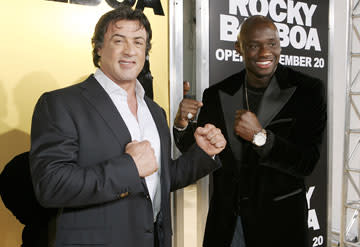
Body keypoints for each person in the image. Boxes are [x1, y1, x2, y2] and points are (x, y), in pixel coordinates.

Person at [29, 5, 226, 247]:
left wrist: (202, 154)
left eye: (138, 42)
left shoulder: (154, 111)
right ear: (99, 48)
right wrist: (129, 167)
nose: (130, 50)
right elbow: (51, 185)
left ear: (146, 51)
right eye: (118, 40)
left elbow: (160, 178)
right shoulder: (61, 103)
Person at [173, 15, 327, 247]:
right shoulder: (217, 93)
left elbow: (306, 162)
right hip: (227, 223)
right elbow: (200, 149)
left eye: (272, 43)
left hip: (279, 225)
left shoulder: (308, 90)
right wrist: (181, 125)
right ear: (239, 48)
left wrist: (260, 137)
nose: (266, 52)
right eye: (254, 45)